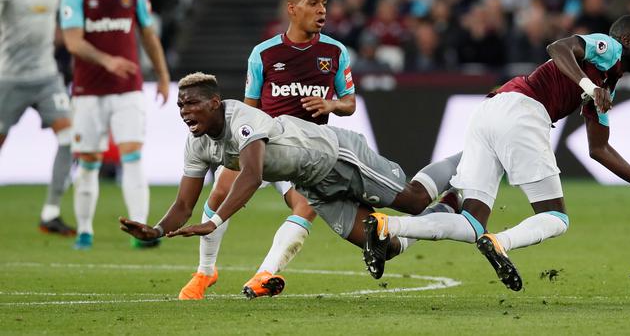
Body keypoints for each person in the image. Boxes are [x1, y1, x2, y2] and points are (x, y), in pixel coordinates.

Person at [363, 15, 630, 291]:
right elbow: (558, 47)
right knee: (556, 218)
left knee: (472, 222)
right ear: (627, 40)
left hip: (491, 110)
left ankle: (386, 226)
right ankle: (501, 242)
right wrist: (590, 89)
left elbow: (599, 149)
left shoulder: (607, 83)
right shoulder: (609, 48)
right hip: (524, 111)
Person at [119, 72, 462, 292]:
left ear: (214, 103)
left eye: (191, 103)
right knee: (386, 248)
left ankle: (470, 157)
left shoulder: (242, 119)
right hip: (314, 186)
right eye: (180, 105)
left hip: (337, 157)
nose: (184, 111)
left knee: (414, 200)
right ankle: (448, 206)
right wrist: (157, 231)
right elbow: (183, 204)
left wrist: (215, 221)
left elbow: (252, 175)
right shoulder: (197, 144)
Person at [178, 0, 357, 300]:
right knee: (220, 189)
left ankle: (265, 273)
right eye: (314, 3)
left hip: (304, 152)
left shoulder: (335, 52)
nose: (322, 10)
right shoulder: (264, 53)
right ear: (292, 9)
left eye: (325, 3)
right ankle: (205, 271)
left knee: (305, 206)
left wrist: (331, 104)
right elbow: (249, 109)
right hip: (263, 143)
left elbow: (349, 103)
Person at [60, 0, 170, 250]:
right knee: (90, 160)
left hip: (128, 90)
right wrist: (107, 61)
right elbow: (73, 42)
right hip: (88, 91)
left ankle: (140, 232)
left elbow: (148, 35)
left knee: (132, 155)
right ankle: (84, 231)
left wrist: (163, 76)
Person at [0, 0, 74, 235]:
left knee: (70, 138)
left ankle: (50, 213)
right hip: (9, 78)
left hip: (46, 76)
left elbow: (59, 20)